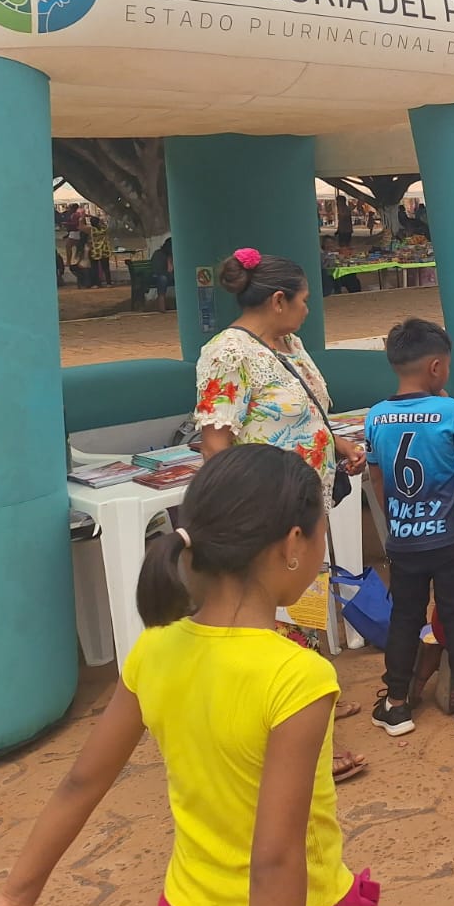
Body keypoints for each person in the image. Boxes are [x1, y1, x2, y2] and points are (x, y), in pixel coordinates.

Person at [0, 446, 385, 906]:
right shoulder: (299, 675)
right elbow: (275, 859)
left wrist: (14, 896)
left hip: (186, 903)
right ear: (292, 544)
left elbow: (80, 783)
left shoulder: (153, 649)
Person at [193, 249, 368, 782]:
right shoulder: (226, 354)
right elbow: (216, 444)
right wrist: (248, 512)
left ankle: (316, 698)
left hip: (306, 504)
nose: (307, 311)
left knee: (308, 605)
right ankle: (305, 746)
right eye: (304, 301)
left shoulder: (288, 344)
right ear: (277, 300)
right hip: (267, 513)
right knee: (275, 618)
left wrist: (336, 445)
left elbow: (308, 412)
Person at [364, 319, 454, 738]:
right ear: (437, 368)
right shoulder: (449, 410)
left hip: (403, 539)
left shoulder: (376, 416)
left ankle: (395, 704)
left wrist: (396, 521)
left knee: (404, 616)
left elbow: (376, 478)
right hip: (449, 539)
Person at [147, 235, 174, 312]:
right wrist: (169, 261)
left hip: (168, 276)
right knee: (162, 279)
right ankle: (161, 306)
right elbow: (158, 270)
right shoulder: (158, 254)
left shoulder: (172, 255)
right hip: (157, 276)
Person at [87, 215, 113, 288]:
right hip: (104, 250)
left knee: (94, 268)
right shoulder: (104, 229)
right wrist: (101, 221)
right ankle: (109, 283)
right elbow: (105, 225)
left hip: (95, 250)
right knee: (106, 268)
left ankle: (96, 284)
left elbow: (80, 226)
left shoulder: (91, 230)